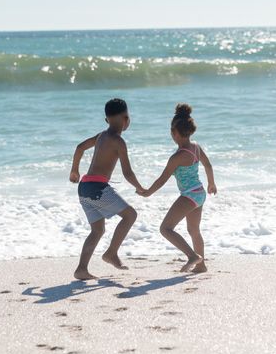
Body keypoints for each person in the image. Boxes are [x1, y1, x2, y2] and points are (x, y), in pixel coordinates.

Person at [69, 97, 145, 280]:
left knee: (97, 230)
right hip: (97, 188)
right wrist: (140, 188)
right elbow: (127, 172)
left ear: (106, 120)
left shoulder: (101, 136)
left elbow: (80, 147)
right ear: (127, 119)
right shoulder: (118, 141)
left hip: (84, 187)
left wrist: (74, 171)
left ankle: (81, 269)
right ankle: (111, 253)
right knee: (130, 215)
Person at [139, 103, 216, 272]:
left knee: (165, 229)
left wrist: (147, 193)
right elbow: (208, 165)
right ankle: (201, 266)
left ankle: (193, 257)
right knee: (194, 230)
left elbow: (162, 179)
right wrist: (211, 183)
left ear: (174, 133)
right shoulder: (196, 147)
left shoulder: (177, 157)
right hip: (200, 194)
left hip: (188, 196)